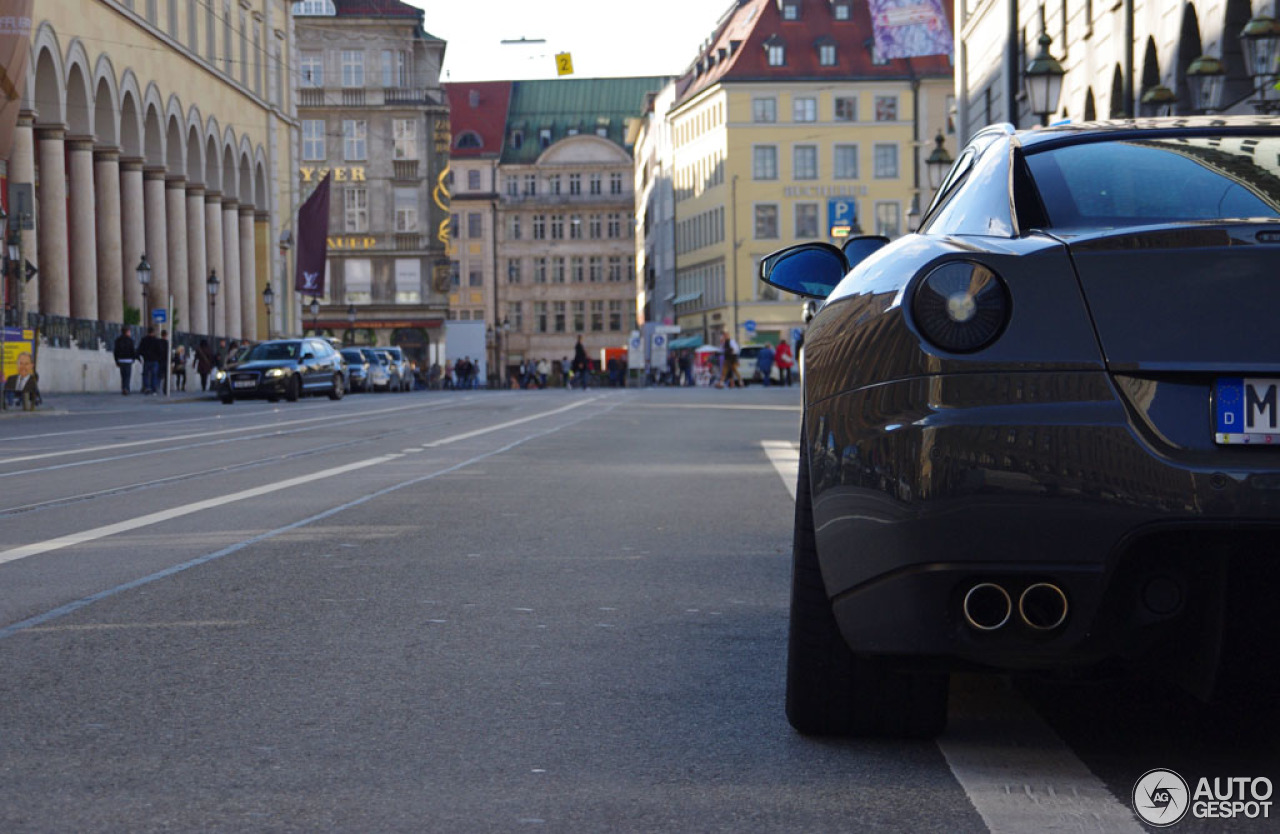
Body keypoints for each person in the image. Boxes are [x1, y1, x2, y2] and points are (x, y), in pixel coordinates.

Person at [137, 326, 164, 394]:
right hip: (154, 360)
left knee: (145, 374)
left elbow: (140, 350)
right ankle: (153, 389)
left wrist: (141, 356)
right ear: (153, 332)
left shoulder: (144, 340)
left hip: (146, 360)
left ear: (147, 332)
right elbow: (160, 351)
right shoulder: (156, 340)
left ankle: (147, 387)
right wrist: (159, 358)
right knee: (154, 375)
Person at [113, 325, 139, 395]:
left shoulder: (118, 340)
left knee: (123, 375)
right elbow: (132, 350)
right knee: (127, 375)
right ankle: (126, 388)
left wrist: (116, 360)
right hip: (128, 360)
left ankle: (123, 387)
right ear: (127, 332)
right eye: (129, 332)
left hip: (121, 360)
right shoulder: (130, 340)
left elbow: (115, 351)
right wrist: (134, 358)